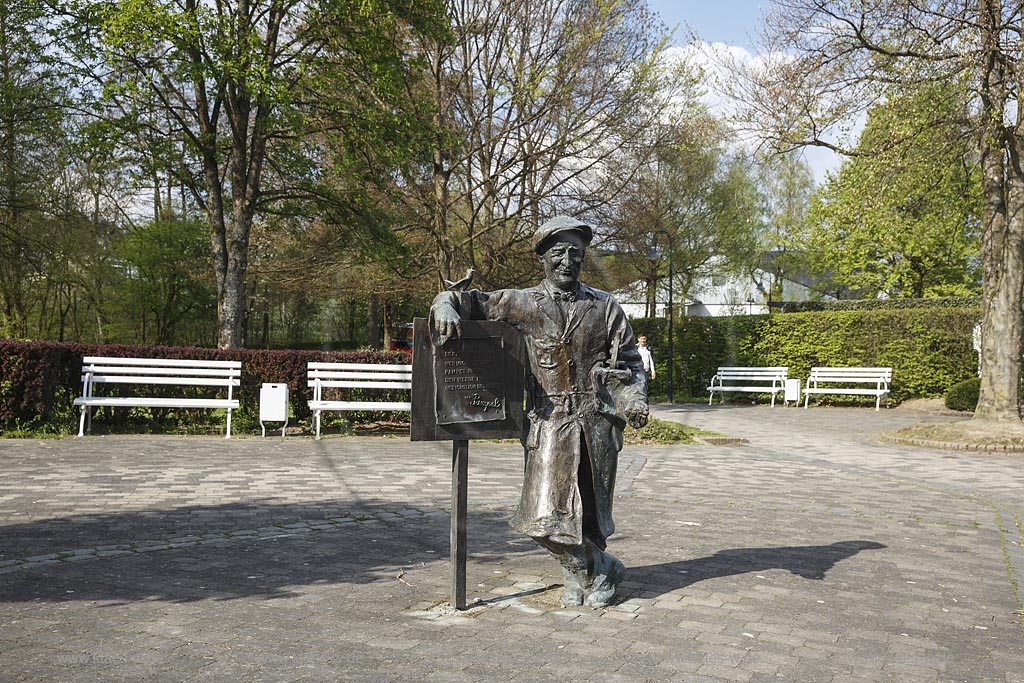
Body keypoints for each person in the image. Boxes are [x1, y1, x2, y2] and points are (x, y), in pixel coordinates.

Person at [431, 215, 649, 608]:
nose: (568, 261)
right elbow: (470, 301)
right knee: (542, 516)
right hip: (550, 421)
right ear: (543, 258)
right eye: (558, 253)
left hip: (598, 421)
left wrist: (633, 398)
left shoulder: (604, 305)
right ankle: (601, 567)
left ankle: (579, 574)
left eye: (575, 253)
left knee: (591, 512)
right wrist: (444, 303)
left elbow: (631, 360)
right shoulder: (523, 302)